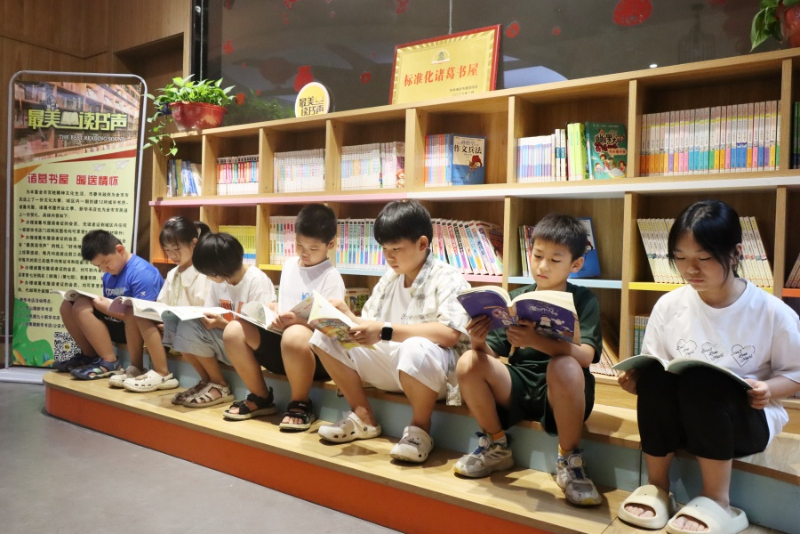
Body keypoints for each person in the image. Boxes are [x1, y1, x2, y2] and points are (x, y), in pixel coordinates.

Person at [617, 200, 800, 533]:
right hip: (684, 424)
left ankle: (717, 500)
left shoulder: (772, 312)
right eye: (680, 258)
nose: (691, 270)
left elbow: (795, 374)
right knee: (657, 376)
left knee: (702, 380)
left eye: (703, 258)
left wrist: (768, 389)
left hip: (744, 425)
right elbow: (654, 366)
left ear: (736, 253)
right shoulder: (669, 305)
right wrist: (637, 382)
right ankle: (658, 487)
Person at [454, 213, 604, 507]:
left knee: (564, 365)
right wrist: (477, 338)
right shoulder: (516, 297)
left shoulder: (584, 300)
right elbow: (490, 354)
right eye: (537, 256)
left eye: (555, 259)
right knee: (468, 361)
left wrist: (535, 340)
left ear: (575, 264)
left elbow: (586, 356)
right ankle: (496, 445)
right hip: (520, 383)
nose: (543, 266)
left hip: (564, 391)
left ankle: (569, 460)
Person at [311, 200, 470, 463]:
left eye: (396, 249)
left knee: (415, 347)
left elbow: (449, 333)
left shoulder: (448, 278)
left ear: (422, 243)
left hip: (434, 374)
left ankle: (420, 429)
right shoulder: (390, 277)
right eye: (384, 249)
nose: (389, 257)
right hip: (392, 364)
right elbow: (371, 326)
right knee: (323, 337)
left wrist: (384, 331)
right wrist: (347, 317)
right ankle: (363, 416)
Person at [222, 204, 345, 427]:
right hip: (281, 345)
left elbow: (333, 330)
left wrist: (299, 321)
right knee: (233, 330)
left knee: (294, 333)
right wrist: (274, 308)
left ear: (331, 245)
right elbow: (287, 303)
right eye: (299, 245)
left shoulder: (331, 277)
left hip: (314, 357)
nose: (304, 253)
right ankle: (260, 396)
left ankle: (300, 402)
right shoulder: (289, 265)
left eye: (313, 248)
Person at [170, 232, 275, 408]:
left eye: (209, 273)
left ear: (220, 269)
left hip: (248, 349)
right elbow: (209, 310)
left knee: (191, 328)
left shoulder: (256, 280)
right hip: (224, 339)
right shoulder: (218, 281)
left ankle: (220, 385)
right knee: (179, 323)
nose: (208, 277)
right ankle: (207, 381)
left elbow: (259, 332)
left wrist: (222, 324)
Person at [114, 217, 211, 392]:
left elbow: (203, 311)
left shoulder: (204, 272)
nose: (172, 255)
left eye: (177, 249)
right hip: (171, 328)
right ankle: (136, 367)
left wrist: (170, 323)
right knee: (133, 311)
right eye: (167, 250)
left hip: (193, 332)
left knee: (142, 317)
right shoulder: (173, 273)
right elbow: (162, 304)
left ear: (194, 243)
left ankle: (162, 372)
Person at [54, 230, 163, 379]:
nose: (104, 269)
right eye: (98, 266)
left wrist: (107, 309)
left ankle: (109, 362)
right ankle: (89, 356)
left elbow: (145, 317)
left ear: (120, 250)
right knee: (69, 304)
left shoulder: (142, 273)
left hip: (139, 330)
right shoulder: (109, 274)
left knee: (82, 307)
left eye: (106, 262)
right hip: (117, 322)